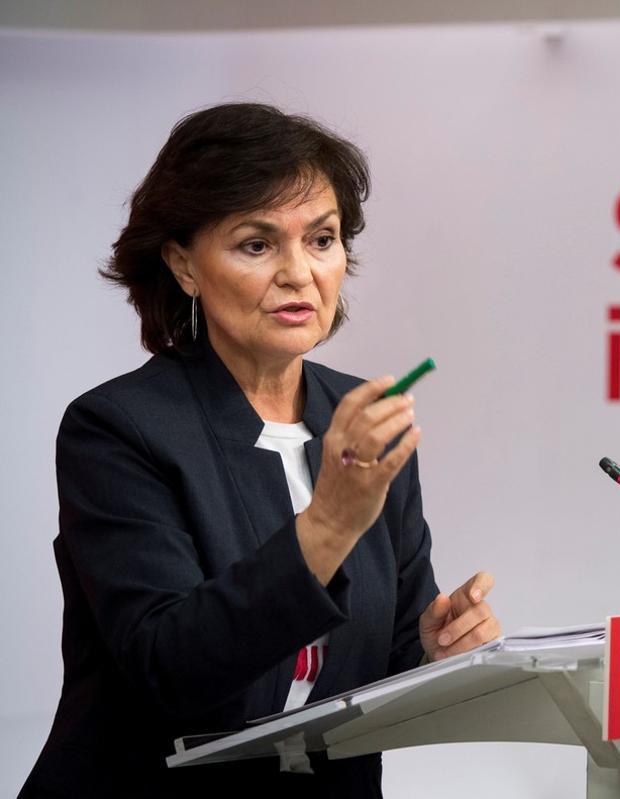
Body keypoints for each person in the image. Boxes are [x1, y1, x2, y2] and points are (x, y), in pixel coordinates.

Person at [20, 103, 501, 798]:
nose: (299, 273)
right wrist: (329, 524)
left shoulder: (362, 418)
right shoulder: (118, 429)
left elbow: (372, 661)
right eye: (256, 244)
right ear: (184, 264)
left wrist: (434, 647)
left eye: (322, 239)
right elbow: (172, 668)